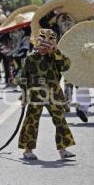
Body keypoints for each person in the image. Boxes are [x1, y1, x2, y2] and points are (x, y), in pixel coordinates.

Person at [18, 28, 75, 160]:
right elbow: (23, 78)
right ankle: (28, 150)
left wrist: (55, 51)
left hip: (53, 93)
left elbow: (66, 66)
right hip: (35, 95)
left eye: (49, 41)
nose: (45, 45)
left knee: (60, 120)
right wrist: (24, 96)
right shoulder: (31, 57)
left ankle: (63, 150)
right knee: (31, 121)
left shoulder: (55, 57)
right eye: (43, 41)